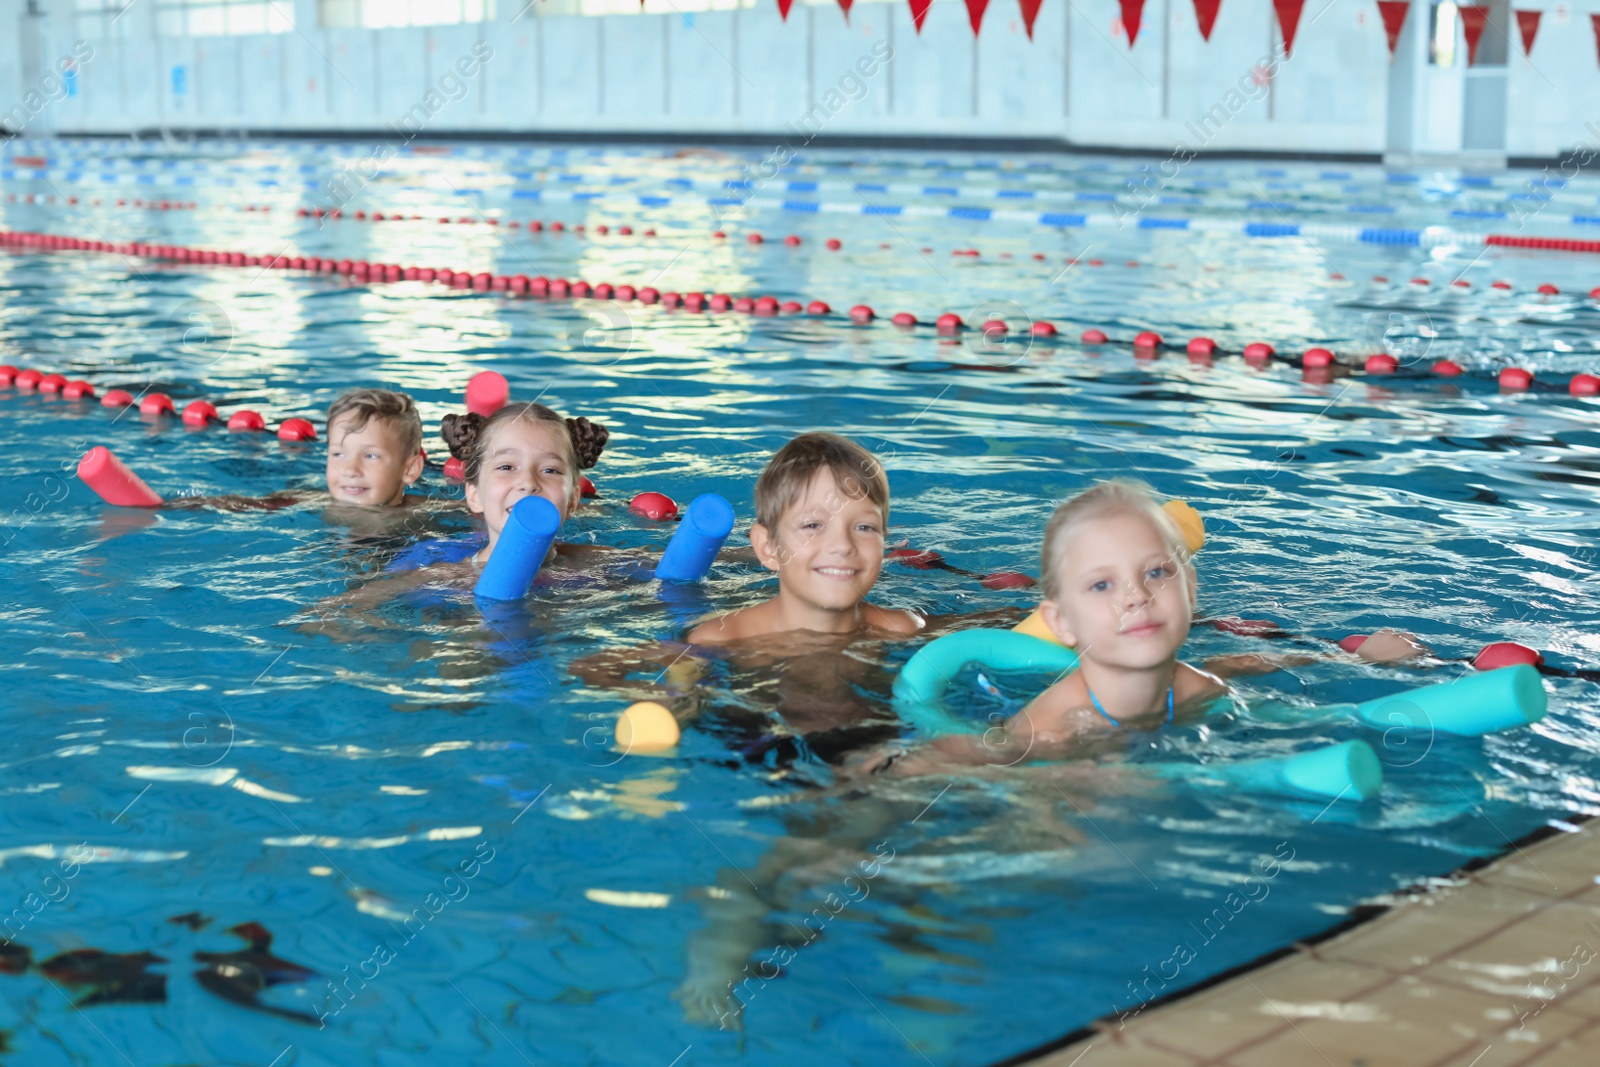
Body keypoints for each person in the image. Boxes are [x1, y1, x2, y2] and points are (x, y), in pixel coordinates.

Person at [686, 432, 924, 644]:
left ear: (883, 542)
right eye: (812, 525)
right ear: (768, 547)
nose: (842, 545)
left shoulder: (902, 629)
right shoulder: (717, 641)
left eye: (864, 527)